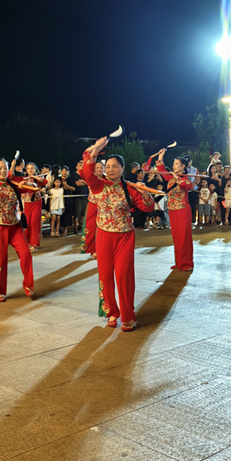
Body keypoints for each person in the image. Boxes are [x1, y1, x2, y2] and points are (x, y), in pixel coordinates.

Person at [82, 138, 153, 331]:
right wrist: (95, 150)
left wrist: (146, 194)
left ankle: (128, 316)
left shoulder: (129, 188)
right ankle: (112, 313)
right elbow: (86, 170)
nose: (111, 169)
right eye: (108, 166)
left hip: (125, 236)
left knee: (123, 275)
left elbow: (146, 207)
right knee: (105, 275)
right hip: (104, 235)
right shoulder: (98, 185)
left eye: (115, 166)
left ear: (122, 168)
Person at [0, 158, 37, 301]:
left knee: (26, 254)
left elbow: (35, 187)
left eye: (5, 167)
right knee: (0, 260)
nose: (3, 170)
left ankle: (28, 285)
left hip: (15, 226)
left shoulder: (13, 184)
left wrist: (27, 183)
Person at [155, 151, 195, 271]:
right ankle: (178, 262)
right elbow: (161, 169)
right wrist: (161, 157)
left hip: (183, 210)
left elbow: (186, 186)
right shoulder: (170, 178)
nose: (174, 166)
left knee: (184, 237)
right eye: (173, 164)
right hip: (172, 210)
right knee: (177, 237)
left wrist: (176, 177)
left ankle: (187, 263)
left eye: (177, 164)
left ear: (183, 166)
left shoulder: (186, 179)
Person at [14, 162, 44, 251]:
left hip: (36, 202)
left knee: (34, 222)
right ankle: (26, 242)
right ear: (26, 170)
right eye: (28, 168)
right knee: (27, 224)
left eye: (32, 168)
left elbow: (40, 184)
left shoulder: (38, 179)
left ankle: (34, 244)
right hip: (27, 203)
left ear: (35, 170)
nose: (30, 170)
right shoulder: (23, 179)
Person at [81, 161, 105, 255]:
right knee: (91, 227)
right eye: (97, 167)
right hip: (92, 204)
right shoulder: (90, 178)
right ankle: (92, 249)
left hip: (104, 205)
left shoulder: (106, 179)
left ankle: (101, 249)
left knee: (102, 228)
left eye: (101, 167)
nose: (99, 169)